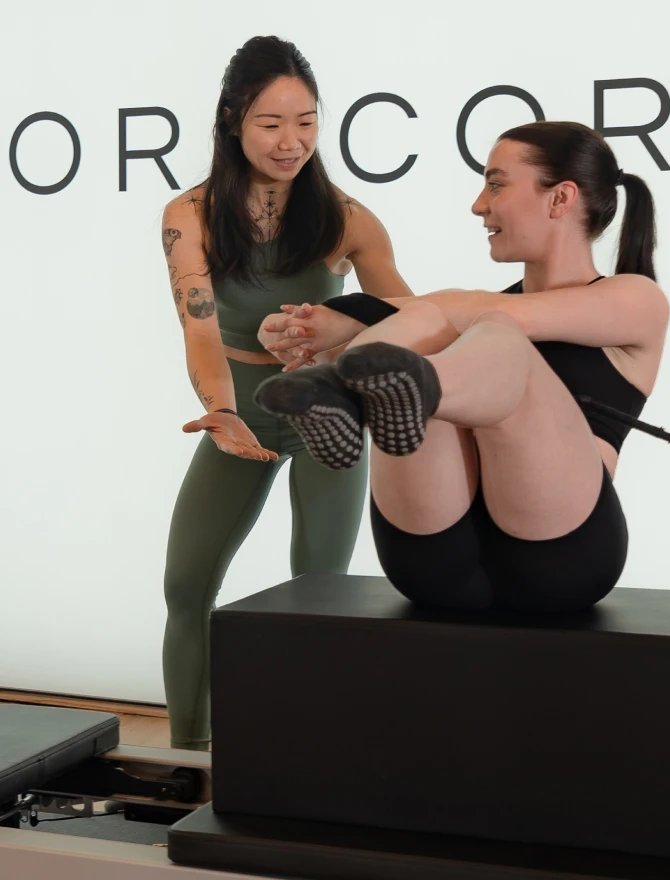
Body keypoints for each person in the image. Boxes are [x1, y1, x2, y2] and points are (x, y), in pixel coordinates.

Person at [254, 121, 670, 613]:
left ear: (560, 199)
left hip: (560, 554)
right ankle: (347, 387)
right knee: (433, 328)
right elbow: (444, 311)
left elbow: (487, 314)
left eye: (496, 184)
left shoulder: (635, 298)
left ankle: (381, 387)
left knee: (487, 333)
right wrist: (311, 338)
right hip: (433, 552)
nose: (479, 204)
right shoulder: (466, 313)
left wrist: (350, 318)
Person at [161, 35, 412, 750]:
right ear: (234, 117)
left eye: (306, 121)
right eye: (272, 123)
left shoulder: (347, 217)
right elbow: (201, 332)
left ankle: (317, 760)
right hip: (239, 411)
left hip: (326, 413)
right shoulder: (192, 215)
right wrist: (222, 409)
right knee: (186, 585)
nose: (291, 141)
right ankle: (187, 756)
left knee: (320, 595)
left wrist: (340, 331)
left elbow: (414, 319)